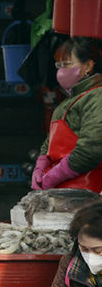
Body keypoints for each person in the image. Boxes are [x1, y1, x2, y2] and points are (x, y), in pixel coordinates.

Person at [32, 37, 102, 193]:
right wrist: (41, 164)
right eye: (59, 65)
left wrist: (54, 175)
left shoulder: (97, 97)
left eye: (68, 64)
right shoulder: (67, 102)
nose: (62, 71)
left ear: (88, 66)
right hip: (63, 192)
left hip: (88, 192)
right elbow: (49, 143)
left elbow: (91, 150)